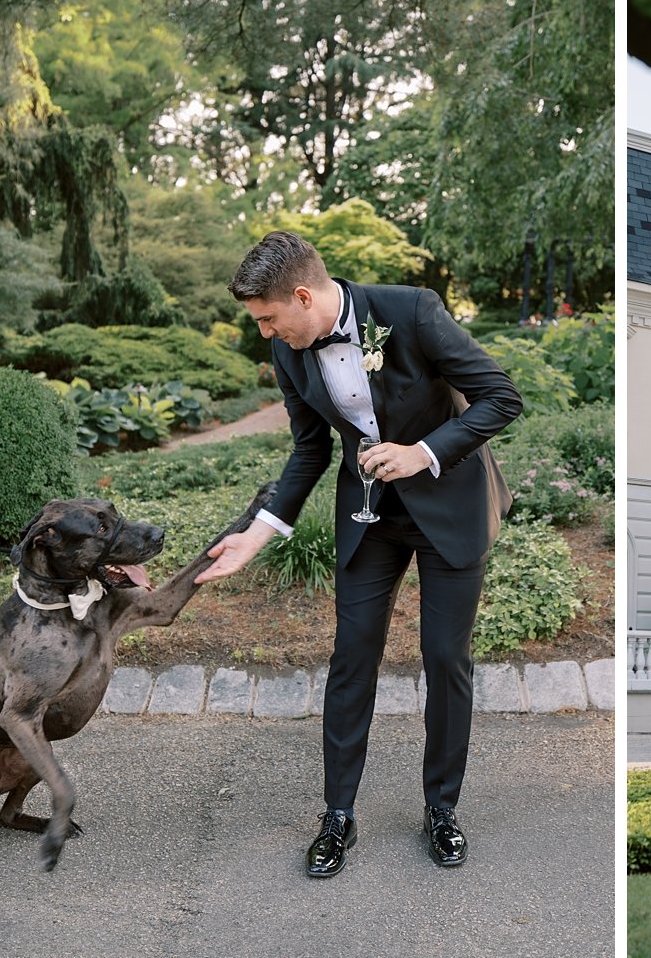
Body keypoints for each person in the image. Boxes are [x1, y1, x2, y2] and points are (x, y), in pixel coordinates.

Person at [195, 231, 522, 877]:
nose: (264, 332)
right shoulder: (289, 352)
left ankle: (442, 811)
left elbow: (501, 398)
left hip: (448, 504)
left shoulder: (412, 310)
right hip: (369, 517)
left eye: (267, 317)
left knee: (444, 659)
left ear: (302, 294)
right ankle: (337, 815)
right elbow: (310, 451)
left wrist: (421, 453)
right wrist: (256, 534)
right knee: (352, 659)